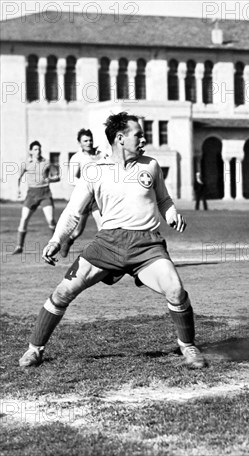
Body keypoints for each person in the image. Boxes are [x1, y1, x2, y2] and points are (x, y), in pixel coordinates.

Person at [19, 112, 210, 369]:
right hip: (107, 244)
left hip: (147, 245)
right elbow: (73, 211)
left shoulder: (150, 165)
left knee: (175, 290)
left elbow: (163, 199)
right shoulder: (94, 171)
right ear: (120, 138)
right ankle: (34, 349)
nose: (144, 139)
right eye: (139, 135)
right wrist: (56, 240)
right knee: (63, 291)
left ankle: (188, 346)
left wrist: (172, 213)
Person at [59, 128, 105, 258]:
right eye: (85, 140)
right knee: (78, 230)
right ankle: (68, 241)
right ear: (79, 143)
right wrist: (86, 185)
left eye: (90, 140)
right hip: (84, 197)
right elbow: (71, 178)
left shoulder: (100, 155)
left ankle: (104, 252)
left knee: (102, 224)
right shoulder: (77, 157)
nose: (89, 143)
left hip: (98, 197)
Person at [11, 141, 60, 255]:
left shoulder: (46, 162)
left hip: (45, 193)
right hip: (31, 194)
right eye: (35, 149)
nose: (38, 151)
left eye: (39, 149)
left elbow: (57, 177)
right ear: (31, 151)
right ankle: (19, 246)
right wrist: (17, 190)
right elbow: (18, 177)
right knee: (24, 219)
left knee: (51, 220)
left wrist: (52, 179)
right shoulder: (26, 163)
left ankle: (57, 243)